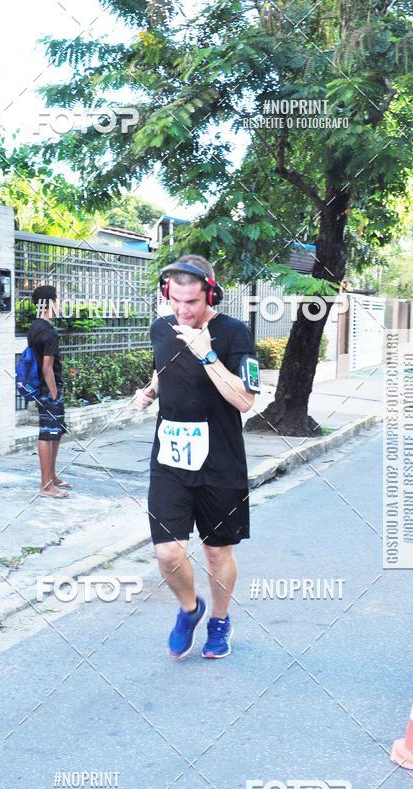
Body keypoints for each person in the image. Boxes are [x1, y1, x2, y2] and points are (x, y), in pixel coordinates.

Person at [134, 255, 258, 659]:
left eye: (192, 302)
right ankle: (190, 609)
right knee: (167, 551)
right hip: (170, 457)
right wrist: (150, 391)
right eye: (176, 301)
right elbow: (164, 366)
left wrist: (207, 354)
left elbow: (244, 401)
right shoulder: (161, 327)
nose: (183, 311)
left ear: (211, 293)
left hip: (220, 460)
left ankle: (219, 621)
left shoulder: (235, 333)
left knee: (216, 550)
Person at [27, 284, 70, 499]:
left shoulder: (35, 327)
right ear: (50, 302)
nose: (60, 303)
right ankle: (46, 485)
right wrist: (53, 394)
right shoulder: (49, 332)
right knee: (47, 433)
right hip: (48, 390)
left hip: (39, 388)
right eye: (58, 299)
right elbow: (47, 367)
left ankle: (51, 476)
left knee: (56, 432)